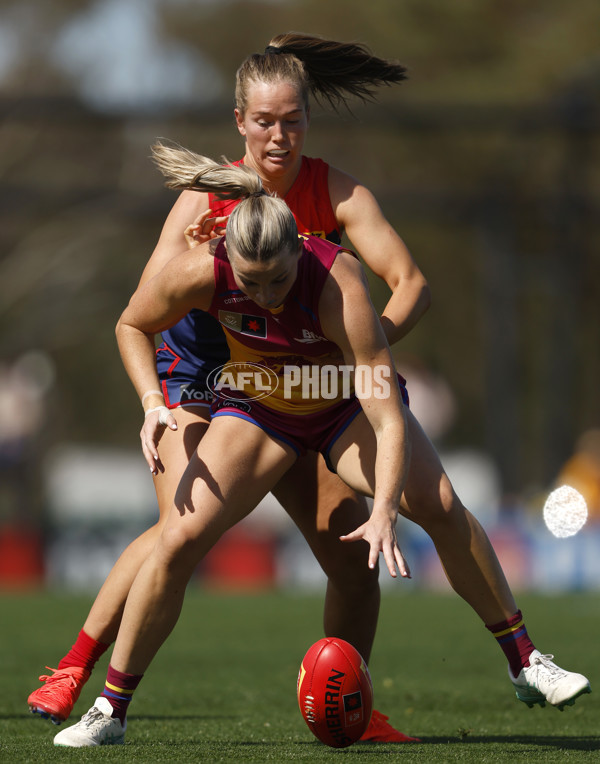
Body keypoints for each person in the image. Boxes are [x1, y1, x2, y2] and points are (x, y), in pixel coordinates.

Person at [53, 151, 590, 747]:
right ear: (227, 257)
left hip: (341, 407)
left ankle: (525, 662)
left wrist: (385, 508)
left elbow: (388, 421)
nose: (267, 296)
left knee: (437, 503)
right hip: (261, 409)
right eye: (250, 282)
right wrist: (154, 403)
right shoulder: (201, 269)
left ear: (299, 252)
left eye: (278, 279)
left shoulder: (340, 279)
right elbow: (132, 324)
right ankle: (110, 710)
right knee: (178, 537)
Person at [29, 33, 429, 744]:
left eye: (291, 120)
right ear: (240, 122)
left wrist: (364, 350)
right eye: (265, 121)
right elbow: (144, 307)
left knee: (348, 557)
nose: (278, 135)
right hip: (203, 380)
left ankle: (353, 703)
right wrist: (155, 403)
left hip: (289, 383)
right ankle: (79, 671)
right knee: (180, 533)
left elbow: (405, 284)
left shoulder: (330, 188)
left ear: (304, 120)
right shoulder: (204, 196)